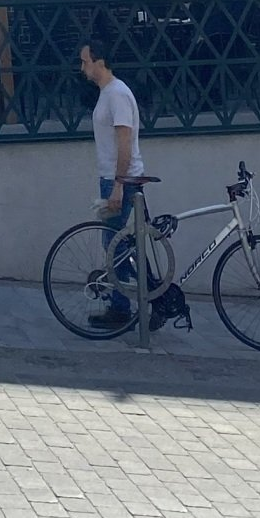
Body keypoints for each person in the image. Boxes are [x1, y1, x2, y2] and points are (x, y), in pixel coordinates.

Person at [78, 37, 156, 332]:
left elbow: (124, 142)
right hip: (112, 178)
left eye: (85, 61)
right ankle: (143, 302)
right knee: (122, 244)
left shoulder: (117, 94)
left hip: (121, 180)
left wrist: (119, 185)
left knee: (116, 246)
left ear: (100, 62)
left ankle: (126, 305)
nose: (82, 67)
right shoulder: (107, 94)